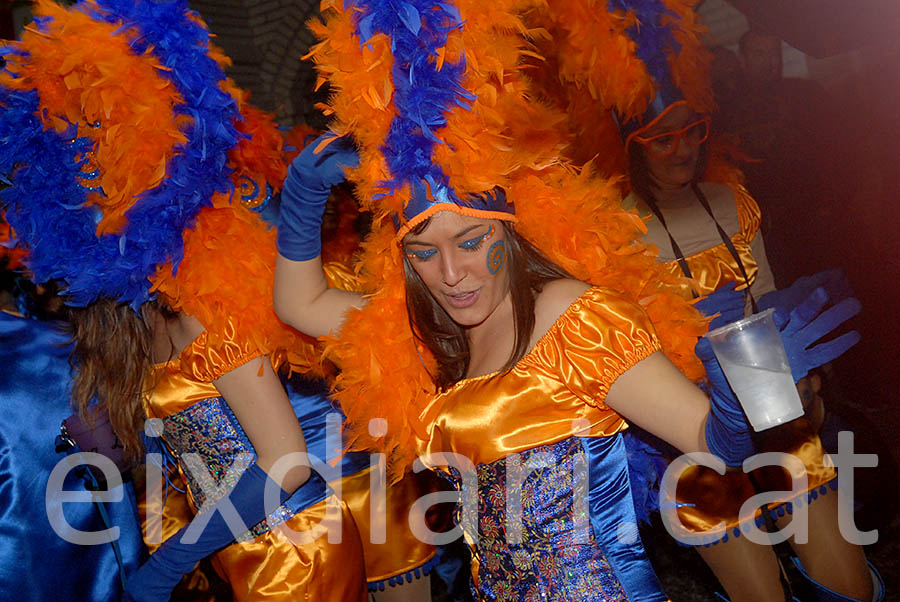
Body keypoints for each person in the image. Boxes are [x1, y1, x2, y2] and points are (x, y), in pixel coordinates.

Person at [272, 3, 862, 599]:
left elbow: (711, 444)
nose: (451, 273)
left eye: (471, 241)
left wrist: (743, 395)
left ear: (509, 230)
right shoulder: (429, 330)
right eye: (423, 252)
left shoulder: (572, 316)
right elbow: (299, 304)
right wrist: (302, 193)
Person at [0, 1, 440, 600]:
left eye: (105, 160)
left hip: (295, 548)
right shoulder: (129, 313)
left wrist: (171, 563)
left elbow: (285, 461)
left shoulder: (199, 298)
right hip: (238, 548)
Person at [620, 93, 882, 602]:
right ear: (633, 146)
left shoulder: (730, 201)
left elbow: (766, 307)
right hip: (690, 440)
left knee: (847, 586)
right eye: (662, 139)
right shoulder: (611, 230)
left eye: (692, 131)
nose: (682, 150)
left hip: (773, 408)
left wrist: (802, 373)